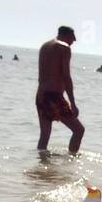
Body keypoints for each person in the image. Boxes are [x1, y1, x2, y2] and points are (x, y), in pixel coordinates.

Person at [36, 25, 84, 154]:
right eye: (73, 37)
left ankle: (41, 168)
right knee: (79, 130)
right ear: (66, 35)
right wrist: (73, 103)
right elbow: (66, 77)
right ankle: (71, 162)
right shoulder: (64, 48)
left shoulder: (45, 46)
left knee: (45, 135)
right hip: (54, 96)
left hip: (41, 95)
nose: (74, 41)